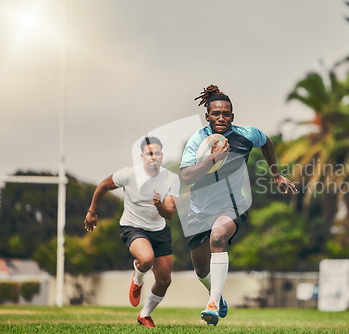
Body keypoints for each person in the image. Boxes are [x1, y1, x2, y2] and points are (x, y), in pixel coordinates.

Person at [180, 85, 297, 326]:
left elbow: (267, 143)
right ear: (208, 116)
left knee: (218, 239)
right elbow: (187, 176)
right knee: (201, 270)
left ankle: (212, 304)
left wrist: (276, 175)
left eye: (226, 113)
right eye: (216, 113)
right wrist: (213, 159)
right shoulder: (197, 140)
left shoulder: (246, 134)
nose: (221, 117)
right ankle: (217, 296)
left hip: (231, 205)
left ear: (232, 116)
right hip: (199, 210)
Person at [84, 136, 179, 328]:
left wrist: (159, 205)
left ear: (162, 155)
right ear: (142, 156)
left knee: (164, 280)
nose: (154, 157)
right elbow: (103, 186)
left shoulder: (171, 178)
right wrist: (92, 212)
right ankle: (138, 278)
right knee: (146, 259)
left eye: (158, 153)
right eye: (149, 154)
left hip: (159, 230)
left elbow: (169, 213)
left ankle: (145, 314)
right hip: (132, 227)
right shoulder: (128, 174)